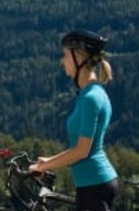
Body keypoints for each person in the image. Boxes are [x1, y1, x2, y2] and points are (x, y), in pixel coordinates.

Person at [30, 29, 119, 211]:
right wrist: (48, 161)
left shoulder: (91, 98)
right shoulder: (88, 94)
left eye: (65, 56)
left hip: (94, 186)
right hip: (91, 185)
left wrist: (45, 165)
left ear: (79, 58)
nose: (62, 61)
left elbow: (81, 151)